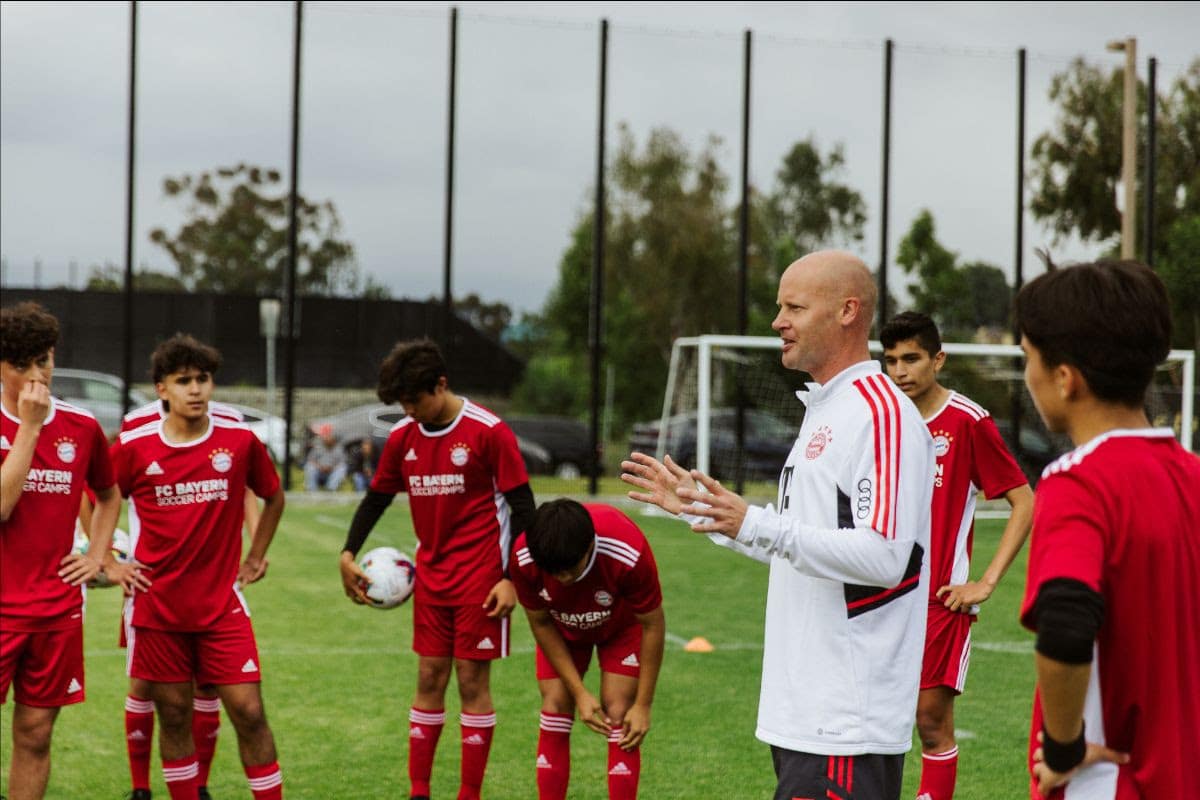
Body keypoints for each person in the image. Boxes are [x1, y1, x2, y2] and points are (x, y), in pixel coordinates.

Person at [622, 251, 935, 800]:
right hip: (804, 711)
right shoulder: (825, 409)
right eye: (778, 306)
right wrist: (709, 511)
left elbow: (887, 556)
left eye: (794, 306)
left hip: (844, 721)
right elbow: (798, 542)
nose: (777, 321)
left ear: (847, 311)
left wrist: (759, 524)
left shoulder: (880, 414)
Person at [1014, 260, 1199, 799]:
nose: (1027, 376)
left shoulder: (1079, 483)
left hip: (1114, 781)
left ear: (1066, 379)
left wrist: (1064, 747)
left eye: (1028, 359)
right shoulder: (1191, 477)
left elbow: (1067, 619)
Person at [338, 339, 536, 800]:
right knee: (429, 676)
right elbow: (378, 497)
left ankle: (469, 794)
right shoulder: (405, 438)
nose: (408, 411)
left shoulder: (489, 432)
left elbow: (524, 509)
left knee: (471, 681)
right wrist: (349, 552)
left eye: (414, 400)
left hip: (482, 580)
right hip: (430, 579)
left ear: (441, 385)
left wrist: (513, 579)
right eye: (402, 403)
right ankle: (419, 792)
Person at [109, 334, 286, 800]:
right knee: (173, 715)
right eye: (183, 381)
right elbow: (101, 494)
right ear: (161, 389)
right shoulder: (134, 446)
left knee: (249, 711)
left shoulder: (239, 441)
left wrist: (255, 554)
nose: (195, 390)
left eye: (203, 380)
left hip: (221, 607)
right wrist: (107, 558)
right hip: (159, 609)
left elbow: (273, 495)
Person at [881, 311, 1034, 800]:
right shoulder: (880, 418)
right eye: (890, 361)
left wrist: (984, 583)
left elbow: (1024, 500)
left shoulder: (967, 421)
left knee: (930, 721)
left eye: (912, 359)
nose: (900, 371)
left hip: (939, 601)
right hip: (878, 594)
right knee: (876, 722)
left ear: (938, 360)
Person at [0, 301, 124, 800]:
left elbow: (110, 494)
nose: (37, 375)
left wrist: (98, 554)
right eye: (21, 364)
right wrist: (29, 428)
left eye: (44, 360)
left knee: (36, 734)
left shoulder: (82, 426)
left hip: (55, 609)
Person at [510, 499, 665, 800]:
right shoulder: (524, 557)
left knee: (619, 709)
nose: (562, 579)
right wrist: (579, 692)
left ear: (590, 546)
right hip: (560, 628)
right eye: (553, 573)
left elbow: (653, 624)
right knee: (555, 702)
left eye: (569, 570)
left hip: (621, 627)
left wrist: (643, 705)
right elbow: (541, 623)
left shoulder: (627, 551)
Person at [304, 423, 347, 492]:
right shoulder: (317, 446)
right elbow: (310, 460)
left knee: (342, 468)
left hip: (332, 473)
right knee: (309, 466)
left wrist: (332, 468)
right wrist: (320, 467)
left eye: (328, 436)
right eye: (325, 436)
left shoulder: (339, 448)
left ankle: (331, 490)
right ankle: (312, 491)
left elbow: (342, 462)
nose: (326, 438)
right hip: (319, 472)